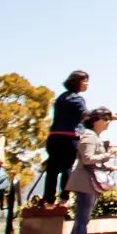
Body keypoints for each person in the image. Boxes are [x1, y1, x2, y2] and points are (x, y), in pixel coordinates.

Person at [66, 107, 117, 234]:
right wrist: (108, 154)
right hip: (85, 182)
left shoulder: (93, 136)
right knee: (83, 218)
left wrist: (112, 166)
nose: (109, 122)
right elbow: (88, 158)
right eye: (107, 119)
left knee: (82, 218)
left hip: (88, 181)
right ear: (98, 121)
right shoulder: (89, 136)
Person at [41, 71, 90, 206]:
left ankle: (49, 200)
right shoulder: (77, 99)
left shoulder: (61, 98)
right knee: (67, 167)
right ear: (78, 82)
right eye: (85, 81)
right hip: (70, 137)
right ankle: (65, 197)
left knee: (52, 169)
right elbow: (86, 115)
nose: (87, 84)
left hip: (54, 137)